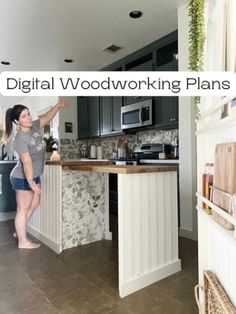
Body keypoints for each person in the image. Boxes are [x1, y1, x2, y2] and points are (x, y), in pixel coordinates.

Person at [3, 100, 70, 249]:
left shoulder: (32, 126)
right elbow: (26, 162)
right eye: (23, 116)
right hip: (23, 177)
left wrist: (58, 106)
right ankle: (22, 241)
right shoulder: (19, 139)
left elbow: (46, 117)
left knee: (35, 203)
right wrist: (31, 182)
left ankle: (18, 231)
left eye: (28, 114)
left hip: (34, 174)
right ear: (16, 121)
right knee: (23, 209)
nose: (28, 118)